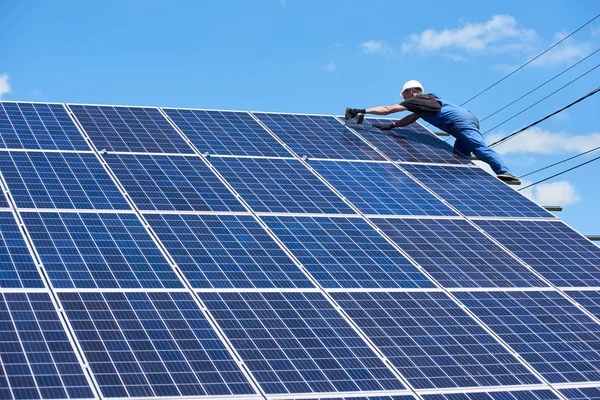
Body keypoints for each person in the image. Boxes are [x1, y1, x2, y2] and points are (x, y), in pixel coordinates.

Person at [346, 80, 520, 184]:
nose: (404, 99)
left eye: (405, 96)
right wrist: (393, 126)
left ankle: (504, 171)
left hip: (459, 123)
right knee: (460, 157)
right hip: (464, 120)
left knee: (479, 149)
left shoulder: (416, 100)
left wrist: (360, 110)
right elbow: (412, 118)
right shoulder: (428, 99)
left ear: (411, 92)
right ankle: (468, 182)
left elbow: (387, 109)